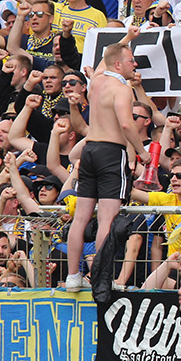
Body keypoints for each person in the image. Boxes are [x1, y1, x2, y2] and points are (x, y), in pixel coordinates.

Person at [63, 41, 145, 293]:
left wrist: (127, 36)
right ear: (119, 64)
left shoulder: (96, 81)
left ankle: (73, 276)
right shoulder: (121, 88)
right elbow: (127, 124)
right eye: (131, 60)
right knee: (106, 220)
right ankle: (101, 277)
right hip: (111, 152)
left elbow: (105, 60)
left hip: (89, 151)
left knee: (81, 218)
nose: (136, 64)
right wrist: (142, 152)